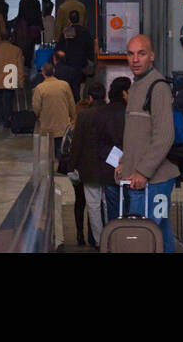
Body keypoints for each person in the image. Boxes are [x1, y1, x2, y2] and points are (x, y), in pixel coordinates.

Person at [116, 34, 178, 252]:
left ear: (152, 56)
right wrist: (125, 162)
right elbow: (137, 135)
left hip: (152, 181)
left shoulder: (158, 87)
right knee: (160, 236)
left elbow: (165, 135)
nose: (135, 59)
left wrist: (142, 171)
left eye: (141, 54)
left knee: (142, 239)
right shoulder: (136, 86)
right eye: (130, 54)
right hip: (140, 179)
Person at [64, 81, 118, 247]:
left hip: (90, 169)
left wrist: (71, 166)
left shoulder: (84, 116)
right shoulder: (112, 113)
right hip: (110, 166)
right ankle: (112, 238)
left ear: (89, 97)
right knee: (109, 204)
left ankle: (100, 241)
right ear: (105, 95)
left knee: (93, 206)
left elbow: (77, 143)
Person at [99, 77, 131, 224]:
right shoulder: (131, 113)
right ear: (124, 93)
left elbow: (97, 141)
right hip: (130, 168)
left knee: (113, 209)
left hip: (109, 167)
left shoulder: (103, 112)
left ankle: (115, 235)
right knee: (132, 207)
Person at [31, 61, 76, 160]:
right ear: (54, 71)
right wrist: (73, 118)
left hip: (47, 124)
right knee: (62, 149)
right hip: (63, 124)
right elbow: (71, 104)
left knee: (48, 153)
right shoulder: (64, 85)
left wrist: (39, 117)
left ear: (43, 73)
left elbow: (36, 106)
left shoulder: (40, 88)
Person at [0, 33, 24, 128]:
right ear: (10, 39)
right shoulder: (16, 50)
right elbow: (20, 67)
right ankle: (7, 119)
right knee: (9, 100)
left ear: (0, 38)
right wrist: (21, 82)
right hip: (10, 78)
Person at [55, 9, 94, 80]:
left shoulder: (67, 31)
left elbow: (60, 47)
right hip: (82, 63)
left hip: (69, 63)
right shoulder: (85, 31)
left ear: (69, 20)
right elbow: (90, 48)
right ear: (79, 19)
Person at [11, 0, 44, 71]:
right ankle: (29, 63)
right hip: (34, 27)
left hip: (25, 27)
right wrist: (41, 26)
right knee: (31, 45)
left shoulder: (22, 2)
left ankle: (24, 63)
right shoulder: (36, 2)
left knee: (24, 45)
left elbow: (20, 14)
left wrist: (14, 23)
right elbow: (39, 14)